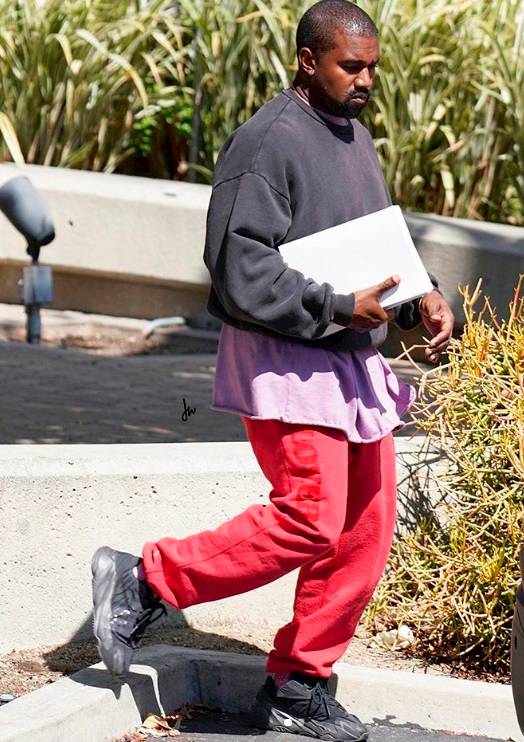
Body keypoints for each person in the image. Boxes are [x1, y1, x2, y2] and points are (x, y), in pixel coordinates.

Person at [91, 2, 455, 740]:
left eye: (372, 68)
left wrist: (420, 299)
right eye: (351, 66)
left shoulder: (354, 136)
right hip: (288, 359)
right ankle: (147, 579)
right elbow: (238, 269)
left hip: (348, 356)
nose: (365, 80)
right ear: (307, 61)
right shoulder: (266, 142)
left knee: (366, 528)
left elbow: (373, 242)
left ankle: (300, 684)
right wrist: (336, 305)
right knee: (311, 517)